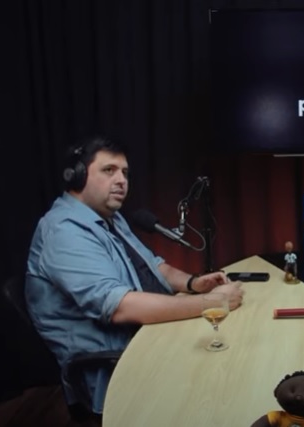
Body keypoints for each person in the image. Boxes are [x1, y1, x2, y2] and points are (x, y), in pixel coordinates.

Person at [25, 136, 245, 418]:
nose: (121, 181)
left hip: (149, 338)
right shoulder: (64, 231)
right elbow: (119, 307)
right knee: (223, 382)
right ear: (76, 176)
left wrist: (193, 283)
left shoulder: (111, 218)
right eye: (109, 170)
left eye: (125, 173)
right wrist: (213, 303)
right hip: (118, 367)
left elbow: (154, 266)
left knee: (235, 355)